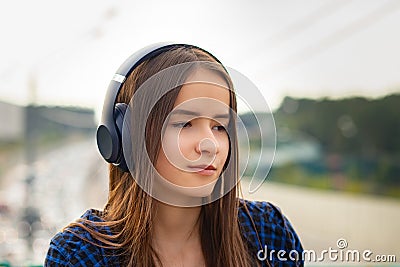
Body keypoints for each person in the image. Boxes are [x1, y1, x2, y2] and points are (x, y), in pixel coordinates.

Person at [45, 43, 303, 267]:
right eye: (185, 123)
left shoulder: (268, 232)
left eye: (220, 127)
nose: (210, 145)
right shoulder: (81, 254)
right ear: (127, 138)